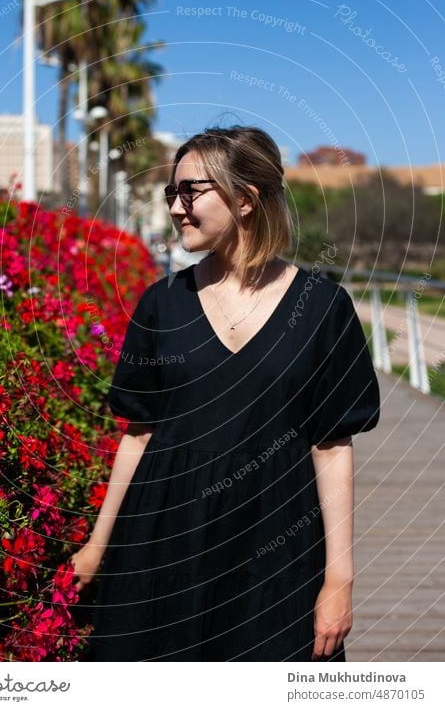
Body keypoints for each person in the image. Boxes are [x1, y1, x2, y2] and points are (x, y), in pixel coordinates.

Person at [72, 124, 381, 662]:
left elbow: (332, 447)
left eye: (189, 191)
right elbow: (138, 433)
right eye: (172, 193)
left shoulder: (324, 309)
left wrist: (339, 580)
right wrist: (98, 546)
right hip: (162, 536)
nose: (175, 207)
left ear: (245, 200)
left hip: (275, 545)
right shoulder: (160, 304)